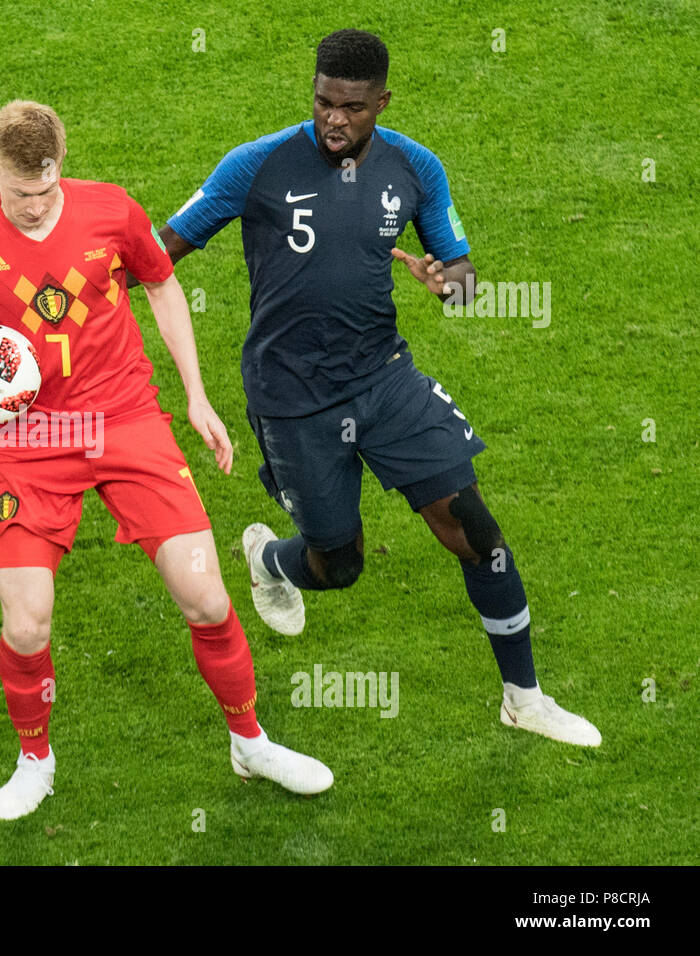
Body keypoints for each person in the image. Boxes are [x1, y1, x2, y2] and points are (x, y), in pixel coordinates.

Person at [0, 100, 333, 820]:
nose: (35, 208)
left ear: (60, 166)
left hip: (125, 418)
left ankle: (250, 741)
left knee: (205, 596)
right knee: (27, 623)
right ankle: (35, 759)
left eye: (44, 192)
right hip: (28, 440)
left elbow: (162, 284)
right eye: (19, 194)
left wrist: (195, 396)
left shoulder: (112, 212)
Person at [155, 30, 599, 746]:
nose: (335, 119)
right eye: (324, 102)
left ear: (381, 103)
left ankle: (525, 697)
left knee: (475, 529)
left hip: (383, 378)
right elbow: (160, 250)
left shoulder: (416, 168)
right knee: (341, 564)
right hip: (293, 395)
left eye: (353, 108)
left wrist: (444, 281)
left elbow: (464, 279)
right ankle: (270, 558)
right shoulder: (255, 166)